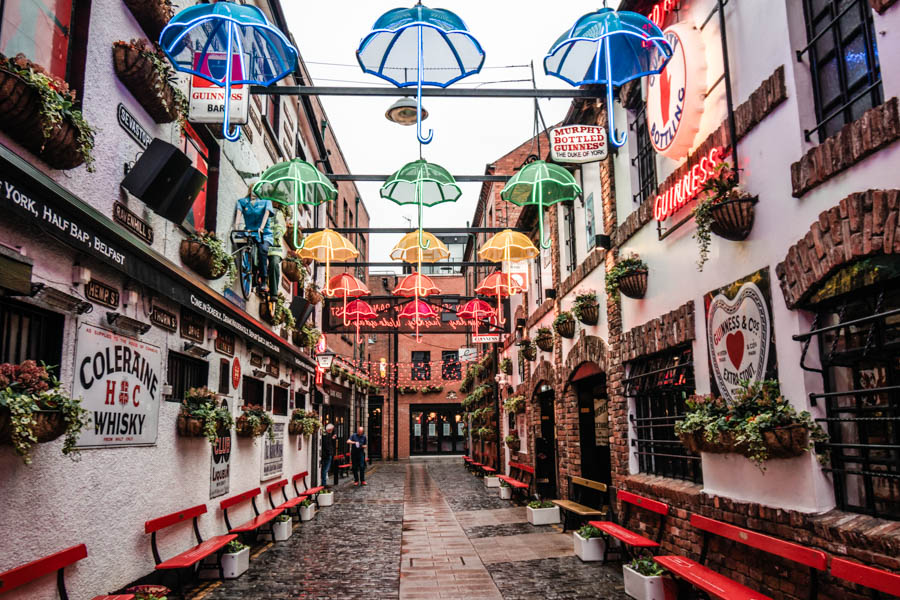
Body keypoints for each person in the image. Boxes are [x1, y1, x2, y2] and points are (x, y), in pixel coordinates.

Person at [232, 185, 275, 294]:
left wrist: (261, 227)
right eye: (254, 188)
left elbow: (266, 214)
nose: (256, 191)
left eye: (259, 189)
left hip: (264, 234)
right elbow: (238, 214)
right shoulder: (243, 202)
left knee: (262, 250)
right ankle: (250, 269)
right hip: (250, 232)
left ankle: (264, 279)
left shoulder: (266, 202)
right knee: (243, 246)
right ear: (250, 189)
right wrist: (236, 227)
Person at [321, 423, 337, 488]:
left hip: (327, 454)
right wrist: (329, 453)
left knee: (325, 469)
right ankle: (323, 483)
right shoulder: (325, 435)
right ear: (330, 429)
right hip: (327, 455)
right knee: (325, 469)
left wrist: (332, 438)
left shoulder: (326, 435)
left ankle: (324, 483)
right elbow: (326, 445)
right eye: (332, 430)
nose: (332, 431)